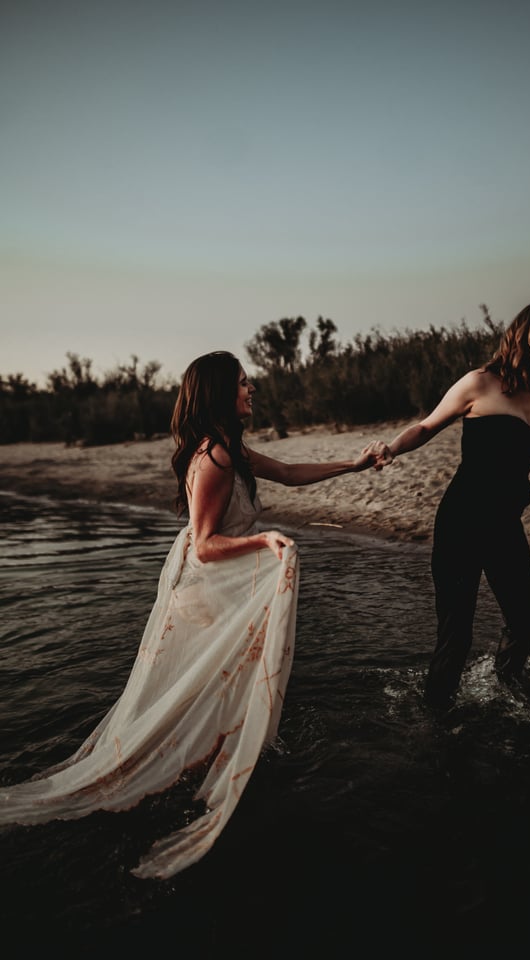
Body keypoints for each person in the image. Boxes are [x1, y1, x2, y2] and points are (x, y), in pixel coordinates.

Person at [0, 350, 383, 879]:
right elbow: (203, 545)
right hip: (205, 593)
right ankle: (185, 768)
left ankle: (202, 755)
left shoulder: (235, 449)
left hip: (221, 589)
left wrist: (354, 464)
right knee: (200, 691)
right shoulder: (215, 458)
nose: (253, 390)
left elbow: (290, 471)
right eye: (244, 384)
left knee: (211, 689)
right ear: (221, 392)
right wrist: (263, 539)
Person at [372, 302, 530, 711]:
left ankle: (504, 685)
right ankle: (437, 725)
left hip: (504, 524)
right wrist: (391, 449)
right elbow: (427, 426)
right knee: (457, 636)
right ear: (525, 344)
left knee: (526, 621)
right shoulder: (478, 384)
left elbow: (529, 433)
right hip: (462, 523)